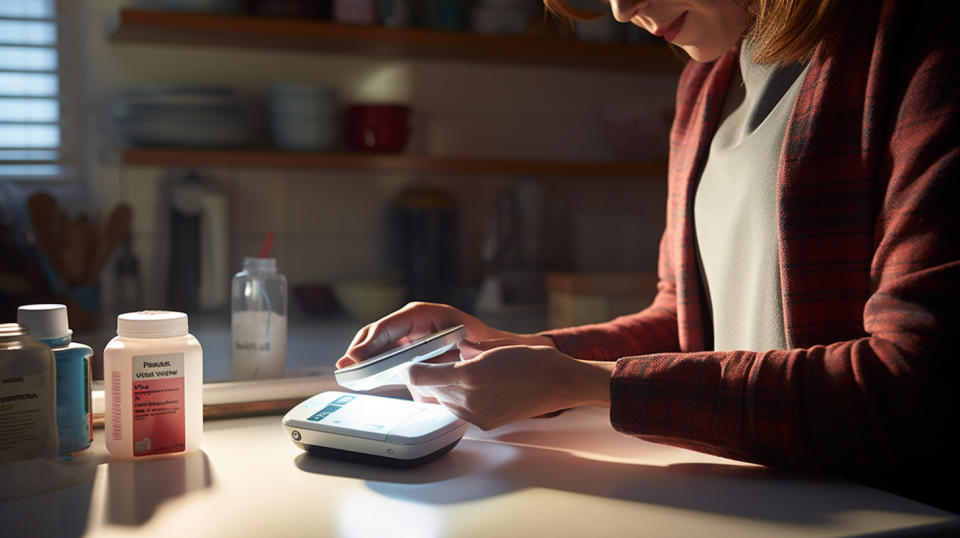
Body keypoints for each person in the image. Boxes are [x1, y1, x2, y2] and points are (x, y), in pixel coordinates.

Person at [338, 0, 959, 512]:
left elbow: (915, 387)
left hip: (891, 515)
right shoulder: (707, 85)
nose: (620, 8)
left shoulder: (919, 49)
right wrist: (514, 348)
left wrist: (579, 382)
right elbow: (685, 327)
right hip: (755, 506)